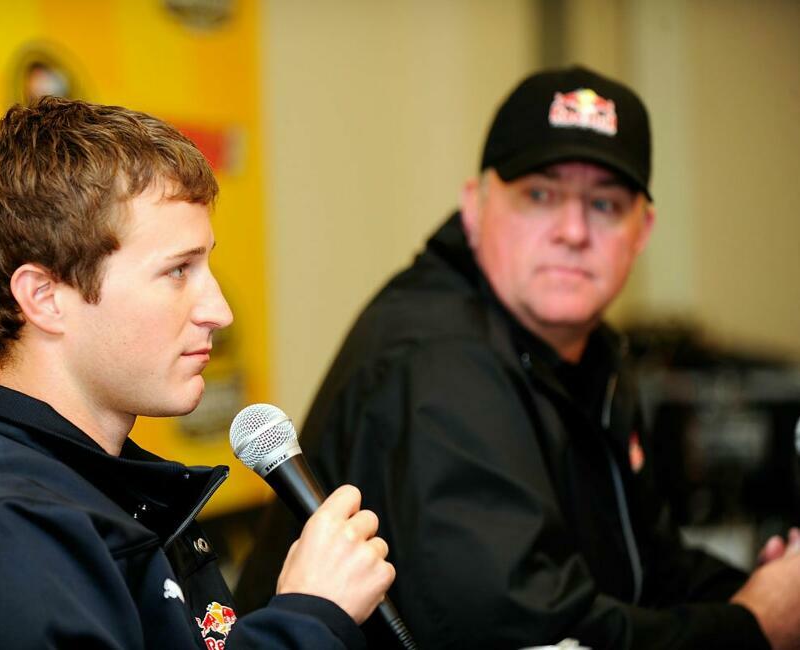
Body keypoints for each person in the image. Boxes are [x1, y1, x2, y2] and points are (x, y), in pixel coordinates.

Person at [235, 65, 800, 649]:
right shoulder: (438, 362)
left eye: (605, 204)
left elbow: (644, 563)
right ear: (474, 207)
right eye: (540, 195)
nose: (574, 231)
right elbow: (531, 636)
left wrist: (773, 587)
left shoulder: (585, 349)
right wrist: (752, 626)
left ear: (643, 230)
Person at [0, 97, 395, 649]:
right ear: (45, 298)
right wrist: (308, 621)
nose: (219, 310)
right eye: (177, 271)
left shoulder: (112, 495)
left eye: (206, 265)